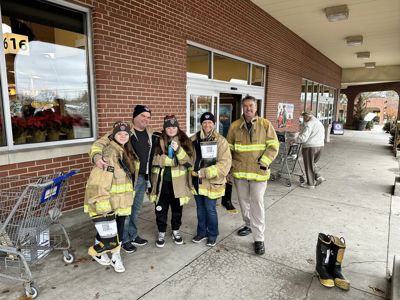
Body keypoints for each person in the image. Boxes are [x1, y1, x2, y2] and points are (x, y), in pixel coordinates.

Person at [90, 105, 158, 253]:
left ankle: (133, 235)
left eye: (148, 117)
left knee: (136, 209)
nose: (145, 119)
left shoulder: (150, 132)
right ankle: (124, 240)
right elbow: (99, 143)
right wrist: (96, 157)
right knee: (124, 210)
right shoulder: (124, 130)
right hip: (128, 177)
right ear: (134, 116)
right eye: (142, 116)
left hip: (142, 177)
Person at [226, 95, 279, 255]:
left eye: (251, 106)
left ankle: (259, 238)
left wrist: (264, 161)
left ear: (256, 108)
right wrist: (228, 170)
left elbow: (273, 145)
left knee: (257, 204)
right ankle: (248, 225)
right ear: (243, 108)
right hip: (240, 173)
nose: (248, 109)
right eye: (246, 106)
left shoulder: (265, 124)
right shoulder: (235, 126)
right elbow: (228, 150)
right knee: (243, 203)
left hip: (258, 173)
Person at [84, 121, 137, 273]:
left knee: (117, 229)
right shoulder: (108, 153)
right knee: (108, 230)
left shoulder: (124, 149)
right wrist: (101, 202)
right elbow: (100, 182)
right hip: (111, 199)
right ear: (113, 135)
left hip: (122, 199)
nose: (123, 136)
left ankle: (113, 255)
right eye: (119, 133)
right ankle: (109, 255)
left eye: (126, 134)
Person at [149, 115, 194, 248]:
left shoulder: (185, 141)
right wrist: (164, 160)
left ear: (177, 127)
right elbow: (151, 160)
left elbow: (189, 162)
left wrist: (178, 150)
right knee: (160, 209)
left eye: (174, 127)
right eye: (168, 127)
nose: (171, 129)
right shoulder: (157, 140)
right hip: (161, 183)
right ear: (164, 128)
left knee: (177, 209)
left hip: (178, 184)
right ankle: (161, 232)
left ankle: (176, 230)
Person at [191, 112, 232, 247]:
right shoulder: (194, 139)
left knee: (210, 209)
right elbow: (188, 155)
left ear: (214, 124)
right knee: (200, 209)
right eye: (204, 122)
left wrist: (206, 172)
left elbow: (224, 164)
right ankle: (201, 232)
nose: (207, 125)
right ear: (201, 124)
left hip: (212, 182)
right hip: (197, 181)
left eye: (210, 122)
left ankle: (212, 234)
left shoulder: (221, 141)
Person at [296, 111, 325, 189]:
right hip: (320, 146)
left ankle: (310, 184)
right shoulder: (318, 123)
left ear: (308, 116)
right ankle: (318, 177)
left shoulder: (309, 124)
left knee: (308, 165)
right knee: (312, 164)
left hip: (310, 147)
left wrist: (295, 140)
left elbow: (303, 138)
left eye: (304, 116)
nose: (303, 118)